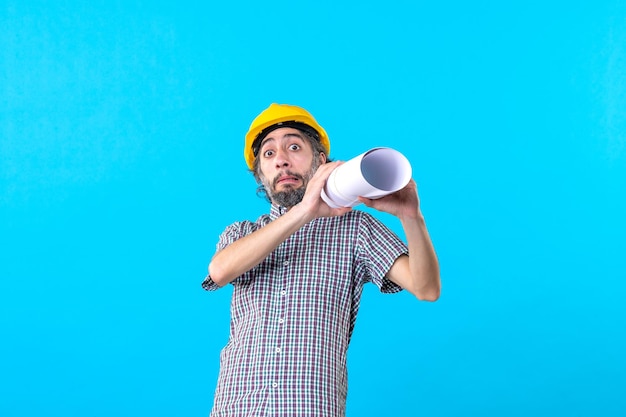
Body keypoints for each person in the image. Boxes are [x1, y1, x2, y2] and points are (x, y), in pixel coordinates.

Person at [202, 103, 440, 417]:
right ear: (260, 174)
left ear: (321, 161)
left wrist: (412, 217)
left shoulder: (355, 229)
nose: (282, 160)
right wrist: (304, 211)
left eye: (294, 147)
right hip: (237, 406)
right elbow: (219, 271)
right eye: (269, 154)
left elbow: (426, 288)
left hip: (313, 407)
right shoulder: (242, 233)